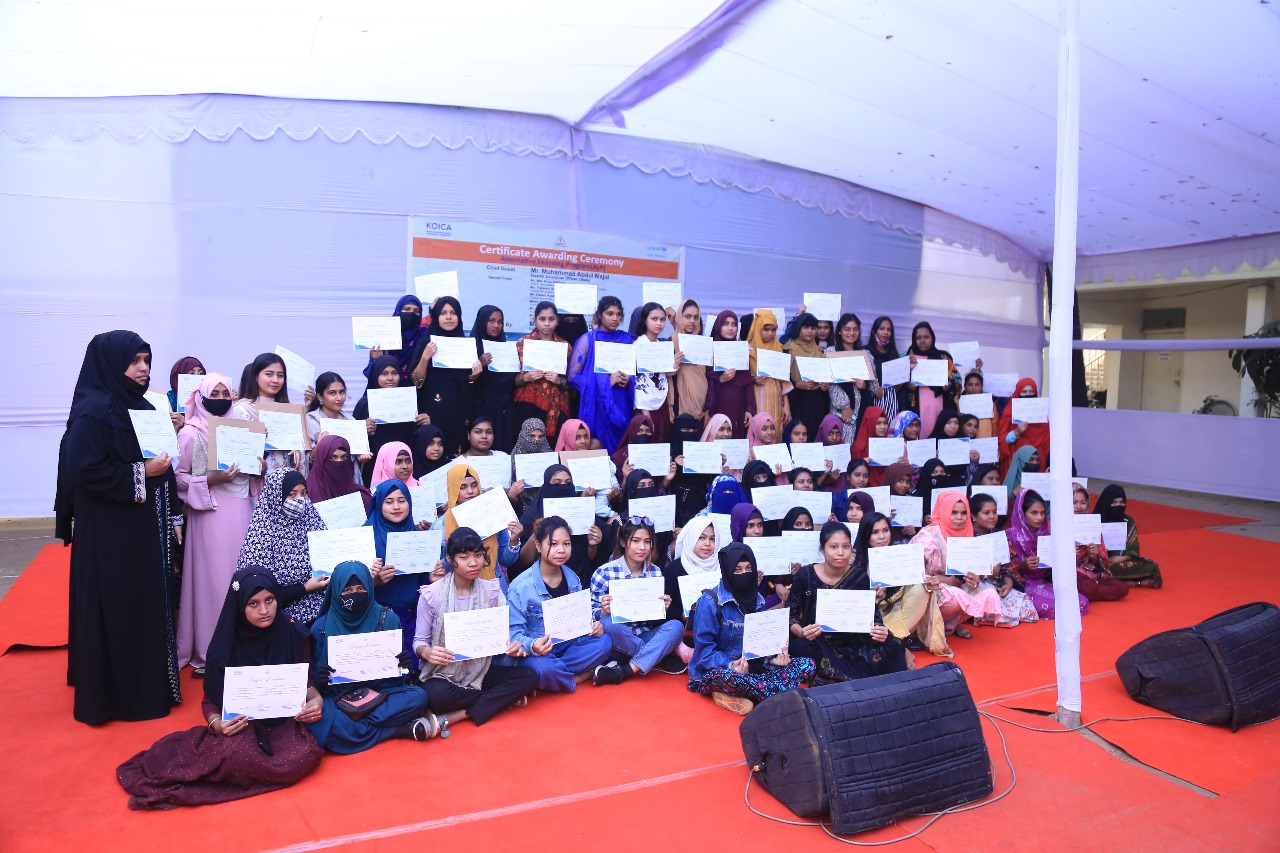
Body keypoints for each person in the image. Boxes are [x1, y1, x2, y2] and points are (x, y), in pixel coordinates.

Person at [116, 568, 323, 809]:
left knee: (304, 756)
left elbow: (306, 682)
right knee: (237, 756)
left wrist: (316, 700)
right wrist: (218, 724)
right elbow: (209, 702)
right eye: (253, 604)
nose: (264, 610)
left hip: (284, 723)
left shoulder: (292, 632)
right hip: (243, 724)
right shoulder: (226, 642)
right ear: (239, 605)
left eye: (270, 600)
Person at [57, 331, 182, 724]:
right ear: (111, 364)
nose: (144, 369)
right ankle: (118, 695)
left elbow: (163, 466)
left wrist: (172, 512)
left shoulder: (143, 408)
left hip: (143, 530)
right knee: (117, 604)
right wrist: (141, 472)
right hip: (109, 535)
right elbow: (83, 471)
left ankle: (146, 680)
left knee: (143, 602)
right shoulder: (93, 413)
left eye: (147, 360)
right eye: (134, 361)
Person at [415, 528, 538, 733]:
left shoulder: (490, 590)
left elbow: (499, 634)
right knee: (434, 695)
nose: (473, 563)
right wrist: (426, 652)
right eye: (464, 557)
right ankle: (499, 700)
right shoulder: (432, 594)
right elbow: (419, 640)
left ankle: (461, 713)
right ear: (450, 559)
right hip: (443, 673)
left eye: (478, 555)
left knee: (529, 676)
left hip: (480, 669)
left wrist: (512, 645)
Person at [175, 373, 255, 677]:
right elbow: (178, 477)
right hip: (209, 514)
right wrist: (210, 479)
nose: (221, 399)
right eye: (214, 393)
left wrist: (258, 466)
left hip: (243, 511)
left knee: (242, 577)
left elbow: (252, 472)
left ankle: (245, 647)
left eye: (225, 393)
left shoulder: (241, 428)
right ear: (201, 396)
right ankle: (212, 651)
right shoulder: (190, 433)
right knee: (213, 582)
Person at [308, 561, 434, 750]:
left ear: (369, 587)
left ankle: (354, 727)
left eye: (361, 588)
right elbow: (317, 685)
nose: (355, 594)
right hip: (340, 698)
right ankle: (396, 731)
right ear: (336, 591)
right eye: (347, 590)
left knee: (419, 697)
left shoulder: (388, 619)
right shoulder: (321, 628)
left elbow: (397, 679)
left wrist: (404, 667)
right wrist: (322, 680)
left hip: (381, 693)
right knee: (319, 717)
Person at [687, 542, 815, 715]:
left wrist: (772, 659)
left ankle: (744, 693)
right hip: (720, 670)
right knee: (730, 678)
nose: (744, 574)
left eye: (748, 568)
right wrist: (731, 665)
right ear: (727, 571)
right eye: (737, 570)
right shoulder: (709, 602)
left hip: (752, 670)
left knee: (807, 664)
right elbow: (704, 653)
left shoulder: (758, 599)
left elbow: (760, 644)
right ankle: (769, 691)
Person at [788, 520, 909, 685]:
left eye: (845, 547)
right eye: (833, 547)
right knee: (800, 647)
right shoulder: (806, 575)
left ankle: (842, 675)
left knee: (893, 645)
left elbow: (873, 618)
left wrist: (879, 630)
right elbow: (791, 615)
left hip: (855, 639)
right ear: (822, 549)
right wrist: (802, 632)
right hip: (819, 640)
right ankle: (856, 674)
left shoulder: (859, 576)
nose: (840, 553)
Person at [504, 517, 613, 693]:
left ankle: (550, 679)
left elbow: (580, 620)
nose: (561, 550)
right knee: (541, 668)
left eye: (566, 544)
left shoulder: (573, 579)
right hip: (537, 652)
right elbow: (513, 635)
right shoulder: (520, 587)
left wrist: (594, 625)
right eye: (553, 544)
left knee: (604, 642)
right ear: (538, 546)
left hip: (566, 645)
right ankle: (578, 678)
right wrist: (533, 645)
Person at [589, 517, 685, 685]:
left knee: (676, 626)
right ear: (623, 542)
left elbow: (655, 619)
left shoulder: (656, 572)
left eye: (647, 541)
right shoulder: (604, 572)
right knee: (608, 623)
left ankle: (626, 670)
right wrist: (604, 610)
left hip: (646, 635)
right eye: (636, 541)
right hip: (618, 640)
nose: (642, 547)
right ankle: (655, 657)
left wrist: (663, 607)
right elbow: (590, 615)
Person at [237, 468, 331, 625]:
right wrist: (305, 588)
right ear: (276, 497)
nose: (300, 500)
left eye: (303, 493)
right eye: (292, 494)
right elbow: (256, 592)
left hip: (323, 611)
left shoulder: (312, 520)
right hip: (279, 619)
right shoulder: (261, 536)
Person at [911, 493, 1004, 643]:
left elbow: (967, 572)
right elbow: (913, 574)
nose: (959, 518)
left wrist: (974, 579)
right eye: (953, 512)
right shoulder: (927, 536)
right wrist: (947, 580)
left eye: (963, 513)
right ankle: (924, 627)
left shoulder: (967, 533)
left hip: (954, 586)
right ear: (943, 511)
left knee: (988, 592)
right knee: (954, 595)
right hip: (927, 589)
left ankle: (950, 624)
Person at [364, 478, 436, 660]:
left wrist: (434, 576)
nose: (396, 507)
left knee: (413, 665)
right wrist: (374, 582)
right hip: (377, 617)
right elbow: (350, 585)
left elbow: (426, 581)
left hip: (416, 617)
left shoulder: (420, 537)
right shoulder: (364, 538)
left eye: (401, 500)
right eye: (389, 502)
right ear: (379, 504)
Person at [409, 295, 479, 459]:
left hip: (460, 412)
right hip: (433, 411)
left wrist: (474, 377)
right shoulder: (427, 342)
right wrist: (425, 357)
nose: (448, 317)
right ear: (436, 316)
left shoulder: (466, 344)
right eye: (443, 313)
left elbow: (469, 384)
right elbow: (416, 381)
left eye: (453, 313)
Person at [516, 465, 605, 587]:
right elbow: (522, 562)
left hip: (580, 581)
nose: (563, 487)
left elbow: (588, 558)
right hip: (543, 583)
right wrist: (536, 534)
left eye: (568, 483)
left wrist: (592, 544)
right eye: (557, 483)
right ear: (546, 486)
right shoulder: (531, 518)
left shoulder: (581, 514)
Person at [1006, 490, 1089, 619]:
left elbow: (1055, 567)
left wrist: (1067, 554)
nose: (1040, 518)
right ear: (1022, 513)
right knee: (1062, 607)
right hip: (1021, 586)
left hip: (1044, 583)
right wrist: (1022, 566)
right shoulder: (1010, 537)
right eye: (1034, 513)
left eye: (1042, 513)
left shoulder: (1047, 535)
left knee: (1081, 602)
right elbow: (1004, 570)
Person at [441, 464, 523, 593]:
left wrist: (513, 541)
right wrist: (454, 554)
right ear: (452, 489)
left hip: (494, 589)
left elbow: (505, 561)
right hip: (459, 593)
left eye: (474, 485)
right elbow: (440, 570)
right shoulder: (441, 525)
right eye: (462, 487)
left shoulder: (492, 515)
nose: (470, 491)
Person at [568, 295, 634, 452]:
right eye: (610, 314)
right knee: (597, 447)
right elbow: (573, 377)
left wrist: (629, 379)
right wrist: (606, 382)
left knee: (621, 450)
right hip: (597, 406)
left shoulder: (626, 339)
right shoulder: (588, 340)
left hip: (621, 404)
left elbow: (633, 372)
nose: (615, 318)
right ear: (599, 315)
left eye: (618, 314)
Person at [354, 355, 426, 486]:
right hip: (374, 465)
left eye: (394, 373)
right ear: (375, 375)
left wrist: (424, 423)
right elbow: (353, 441)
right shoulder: (364, 404)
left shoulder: (409, 400)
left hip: (405, 464)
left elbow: (416, 434)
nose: (390, 378)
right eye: (384, 374)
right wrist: (362, 430)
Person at [969, 493, 1038, 627]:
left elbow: (1010, 565)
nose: (992, 516)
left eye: (994, 512)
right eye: (986, 513)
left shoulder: (999, 536)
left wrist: (1008, 584)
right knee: (989, 597)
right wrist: (986, 574)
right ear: (973, 516)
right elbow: (963, 573)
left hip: (999, 585)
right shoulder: (967, 538)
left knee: (1027, 607)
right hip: (977, 585)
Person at [234, 352, 305, 476]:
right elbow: (236, 452)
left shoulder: (289, 412)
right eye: (269, 374)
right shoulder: (241, 410)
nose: (275, 380)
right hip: (257, 481)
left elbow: (299, 454)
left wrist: (297, 447)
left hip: (287, 480)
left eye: (280, 375)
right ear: (256, 376)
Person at [513, 301, 573, 443]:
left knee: (552, 444)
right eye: (542, 319)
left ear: (557, 321)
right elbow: (513, 380)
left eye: (551, 319)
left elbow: (570, 383)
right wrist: (525, 378)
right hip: (528, 403)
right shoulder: (522, 343)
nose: (547, 324)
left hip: (556, 405)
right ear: (535, 320)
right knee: (529, 442)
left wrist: (559, 380)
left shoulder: (565, 347)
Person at [1094, 484, 1163, 588]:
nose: (1118, 505)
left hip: (1119, 562)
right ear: (1106, 502)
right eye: (1114, 502)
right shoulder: (1093, 521)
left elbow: (1133, 548)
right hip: (1097, 563)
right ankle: (1133, 582)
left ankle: (1110, 579)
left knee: (1151, 566)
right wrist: (1100, 557)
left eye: (1121, 502)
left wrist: (1122, 558)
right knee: (1096, 569)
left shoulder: (1128, 521)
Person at [470, 305, 518, 451]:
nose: (496, 325)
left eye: (500, 322)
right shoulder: (471, 348)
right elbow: (465, 382)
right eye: (491, 321)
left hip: (503, 410)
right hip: (479, 407)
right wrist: (480, 364)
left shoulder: (507, 348)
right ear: (482, 321)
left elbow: (512, 381)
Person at [307, 372, 370, 480]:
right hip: (322, 480)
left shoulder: (350, 421)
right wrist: (319, 447)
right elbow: (305, 461)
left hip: (347, 479)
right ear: (320, 397)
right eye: (332, 393)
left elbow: (355, 458)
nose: (339, 398)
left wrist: (360, 456)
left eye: (342, 392)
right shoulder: (310, 421)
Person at [630, 301, 677, 440]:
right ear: (645, 320)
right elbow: (637, 381)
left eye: (662, 319)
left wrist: (675, 364)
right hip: (644, 406)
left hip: (661, 402)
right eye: (654, 319)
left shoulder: (662, 346)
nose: (659, 323)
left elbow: (664, 374)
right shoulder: (638, 345)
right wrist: (644, 410)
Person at [705, 310, 756, 437]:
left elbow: (747, 383)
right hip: (718, 403)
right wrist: (720, 378)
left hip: (739, 404)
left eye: (734, 324)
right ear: (718, 326)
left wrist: (749, 409)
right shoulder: (709, 350)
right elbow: (705, 377)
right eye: (726, 324)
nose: (730, 328)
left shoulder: (740, 351)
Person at [906, 322, 959, 436]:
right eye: (918, 337)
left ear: (932, 337)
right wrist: (907, 386)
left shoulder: (943, 357)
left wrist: (948, 387)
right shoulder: (906, 357)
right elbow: (896, 384)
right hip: (914, 408)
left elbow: (957, 382)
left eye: (926, 337)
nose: (922, 341)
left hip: (938, 407)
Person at [784, 312, 828, 439]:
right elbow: (782, 378)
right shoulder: (788, 349)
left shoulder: (820, 351)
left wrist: (825, 386)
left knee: (815, 435)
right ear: (799, 328)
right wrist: (796, 384)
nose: (810, 331)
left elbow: (825, 376)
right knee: (798, 435)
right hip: (797, 400)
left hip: (817, 401)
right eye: (806, 327)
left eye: (813, 328)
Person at [667, 298, 710, 427]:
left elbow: (710, 377)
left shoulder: (704, 344)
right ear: (680, 317)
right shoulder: (670, 343)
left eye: (696, 317)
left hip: (703, 408)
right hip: (679, 406)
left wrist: (708, 407)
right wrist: (672, 365)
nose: (692, 321)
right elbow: (663, 375)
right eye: (687, 316)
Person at [746, 309, 792, 429]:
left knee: (773, 430)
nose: (770, 333)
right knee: (757, 430)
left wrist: (786, 405)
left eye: (773, 330)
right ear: (758, 328)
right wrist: (753, 379)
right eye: (766, 329)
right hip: (754, 397)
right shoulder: (747, 350)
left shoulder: (779, 348)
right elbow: (741, 378)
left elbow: (783, 380)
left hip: (775, 398)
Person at [996, 378, 1051, 478]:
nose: (1028, 394)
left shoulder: (1042, 415)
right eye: (1024, 392)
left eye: (1031, 391)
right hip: (1016, 458)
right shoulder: (1008, 412)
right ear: (1018, 393)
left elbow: (1047, 442)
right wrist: (1015, 433)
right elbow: (1000, 440)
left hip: (1038, 460)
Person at [367, 295, 430, 380]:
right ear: (398, 311)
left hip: (416, 386)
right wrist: (377, 360)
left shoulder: (424, 335)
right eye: (407, 309)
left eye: (416, 311)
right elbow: (371, 375)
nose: (411, 313)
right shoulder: (384, 335)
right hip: (386, 386)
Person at [306, 435, 372, 513]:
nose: (339, 462)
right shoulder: (306, 495)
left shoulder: (362, 497)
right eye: (333, 457)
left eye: (344, 457)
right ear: (321, 460)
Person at [866, 316, 907, 421]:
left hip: (891, 402)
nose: (886, 332)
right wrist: (873, 389)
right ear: (875, 331)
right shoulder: (865, 352)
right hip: (871, 401)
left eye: (889, 330)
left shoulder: (894, 354)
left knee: (889, 429)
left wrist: (907, 370)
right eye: (882, 329)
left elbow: (897, 386)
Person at [851, 405, 888, 487]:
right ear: (870, 423)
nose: (883, 427)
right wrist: (861, 462)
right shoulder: (858, 448)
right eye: (878, 423)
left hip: (886, 488)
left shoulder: (891, 445)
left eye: (885, 423)